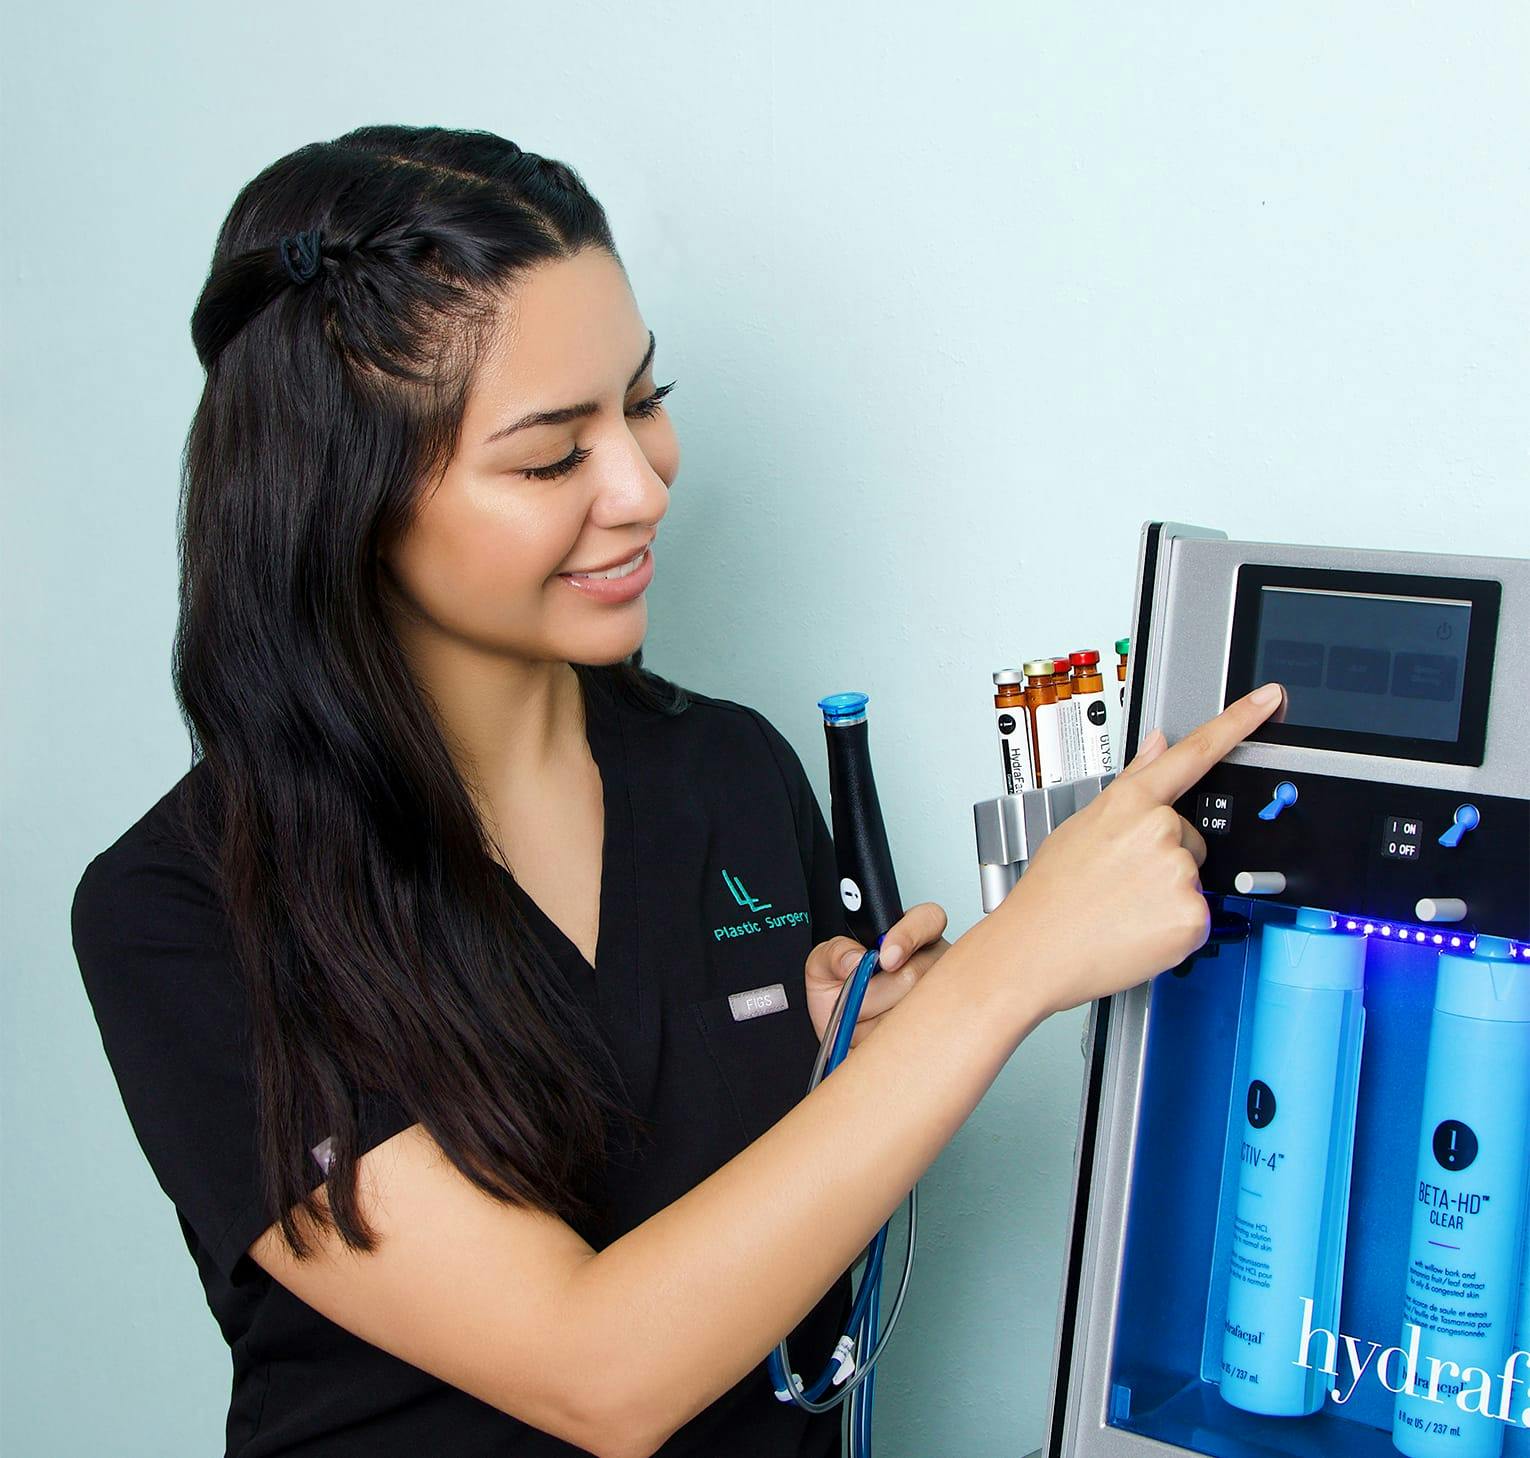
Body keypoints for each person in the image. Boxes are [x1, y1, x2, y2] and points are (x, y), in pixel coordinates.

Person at [69, 123, 1285, 1458]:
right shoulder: (181, 911)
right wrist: (1012, 969)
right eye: (549, 457)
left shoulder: (731, 769)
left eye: (643, 402)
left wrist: (854, 1062)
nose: (644, 484)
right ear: (344, 499)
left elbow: (764, 1226)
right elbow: (599, 1372)